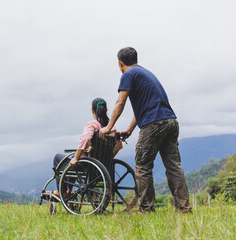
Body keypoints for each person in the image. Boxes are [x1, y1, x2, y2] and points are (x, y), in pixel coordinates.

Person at [99, 47, 191, 213]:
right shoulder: (146, 74)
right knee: (174, 166)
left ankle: (146, 209)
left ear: (120, 63)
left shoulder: (127, 75)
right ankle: (184, 208)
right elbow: (142, 108)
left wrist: (108, 127)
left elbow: (120, 102)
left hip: (153, 124)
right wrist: (129, 129)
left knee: (142, 166)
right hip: (171, 121)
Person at [46, 97, 123, 199]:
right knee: (72, 159)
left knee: (59, 158)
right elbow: (119, 145)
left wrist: (76, 157)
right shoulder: (112, 128)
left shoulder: (92, 125)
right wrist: (107, 158)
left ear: (92, 111)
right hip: (103, 167)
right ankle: (68, 190)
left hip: (87, 166)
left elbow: (85, 140)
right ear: (106, 110)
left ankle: (63, 192)